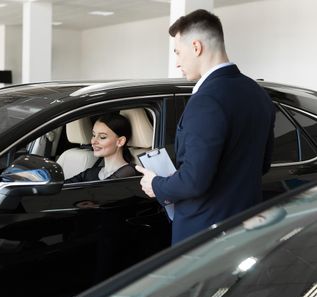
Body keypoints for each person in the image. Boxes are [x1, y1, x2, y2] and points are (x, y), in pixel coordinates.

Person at [136, 9, 275, 245]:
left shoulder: (207, 100)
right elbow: (262, 165)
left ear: (197, 47)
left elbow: (194, 181)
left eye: (178, 52)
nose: (177, 62)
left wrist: (156, 184)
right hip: (247, 224)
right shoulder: (258, 93)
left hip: (206, 234)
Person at [66, 113, 136, 183]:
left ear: (120, 141)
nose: (93, 141)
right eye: (93, 135)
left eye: (102, 137)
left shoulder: (130, 172)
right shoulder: (90, 173)